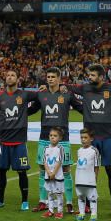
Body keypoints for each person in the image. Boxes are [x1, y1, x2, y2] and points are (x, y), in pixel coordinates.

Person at [64, 64, 111, 213]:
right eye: (90, 75)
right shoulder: (85, 88)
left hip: (107, 137)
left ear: (101, 77)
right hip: (90, 138)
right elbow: (70, 88)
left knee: (110, 170)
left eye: (93, 75)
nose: (90, 77)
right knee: (88, 170)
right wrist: (62, 86)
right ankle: (87, 204)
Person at [32, 67, 81, 213]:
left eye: (53, 77)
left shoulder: (67, 94)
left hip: (63, 138)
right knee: (42, 168)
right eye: (48, 77)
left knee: (65, 169)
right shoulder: (41, 94)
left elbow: (81, 108)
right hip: (44, 137)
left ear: (59, 79)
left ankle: (69, 203)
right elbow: (32, 109)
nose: (50, 79)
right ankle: (43, 201)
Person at [0, 69, 40, 211]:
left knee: (22, 172)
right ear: (5, 79)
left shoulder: (24, 94)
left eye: (13, 75)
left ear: (18, 79)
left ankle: (24, 201)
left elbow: (40, 99)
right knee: (1, 171)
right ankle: (0, 200)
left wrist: (26, 112)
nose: (10, 77)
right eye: (8, 75)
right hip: (3, 141)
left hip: (19, 141)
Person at [74, 128, 100, 221]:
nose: (83, 139)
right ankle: (81, 213)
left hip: (89, 179)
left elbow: (97, 166)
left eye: (85, 137)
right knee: (80, 197)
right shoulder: (79, 150)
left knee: (92, 197)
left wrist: (95, 178)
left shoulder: (94, 151)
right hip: (79, 179)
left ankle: (93, 214)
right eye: (82, 137)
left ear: (91, 139)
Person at [42, 127, 67, 217]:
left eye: (55, 136)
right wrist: (48, 172)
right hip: (48, 175)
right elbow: (44, 161)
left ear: (60, 138)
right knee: (50, 193)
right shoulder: (46, 148)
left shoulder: (60, 148)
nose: (52, 137)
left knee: (59, 194)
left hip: (58, 176)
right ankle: (50, 210)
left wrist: (53, 173)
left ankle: (60, 212)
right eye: (51, 135)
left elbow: (59, 162)